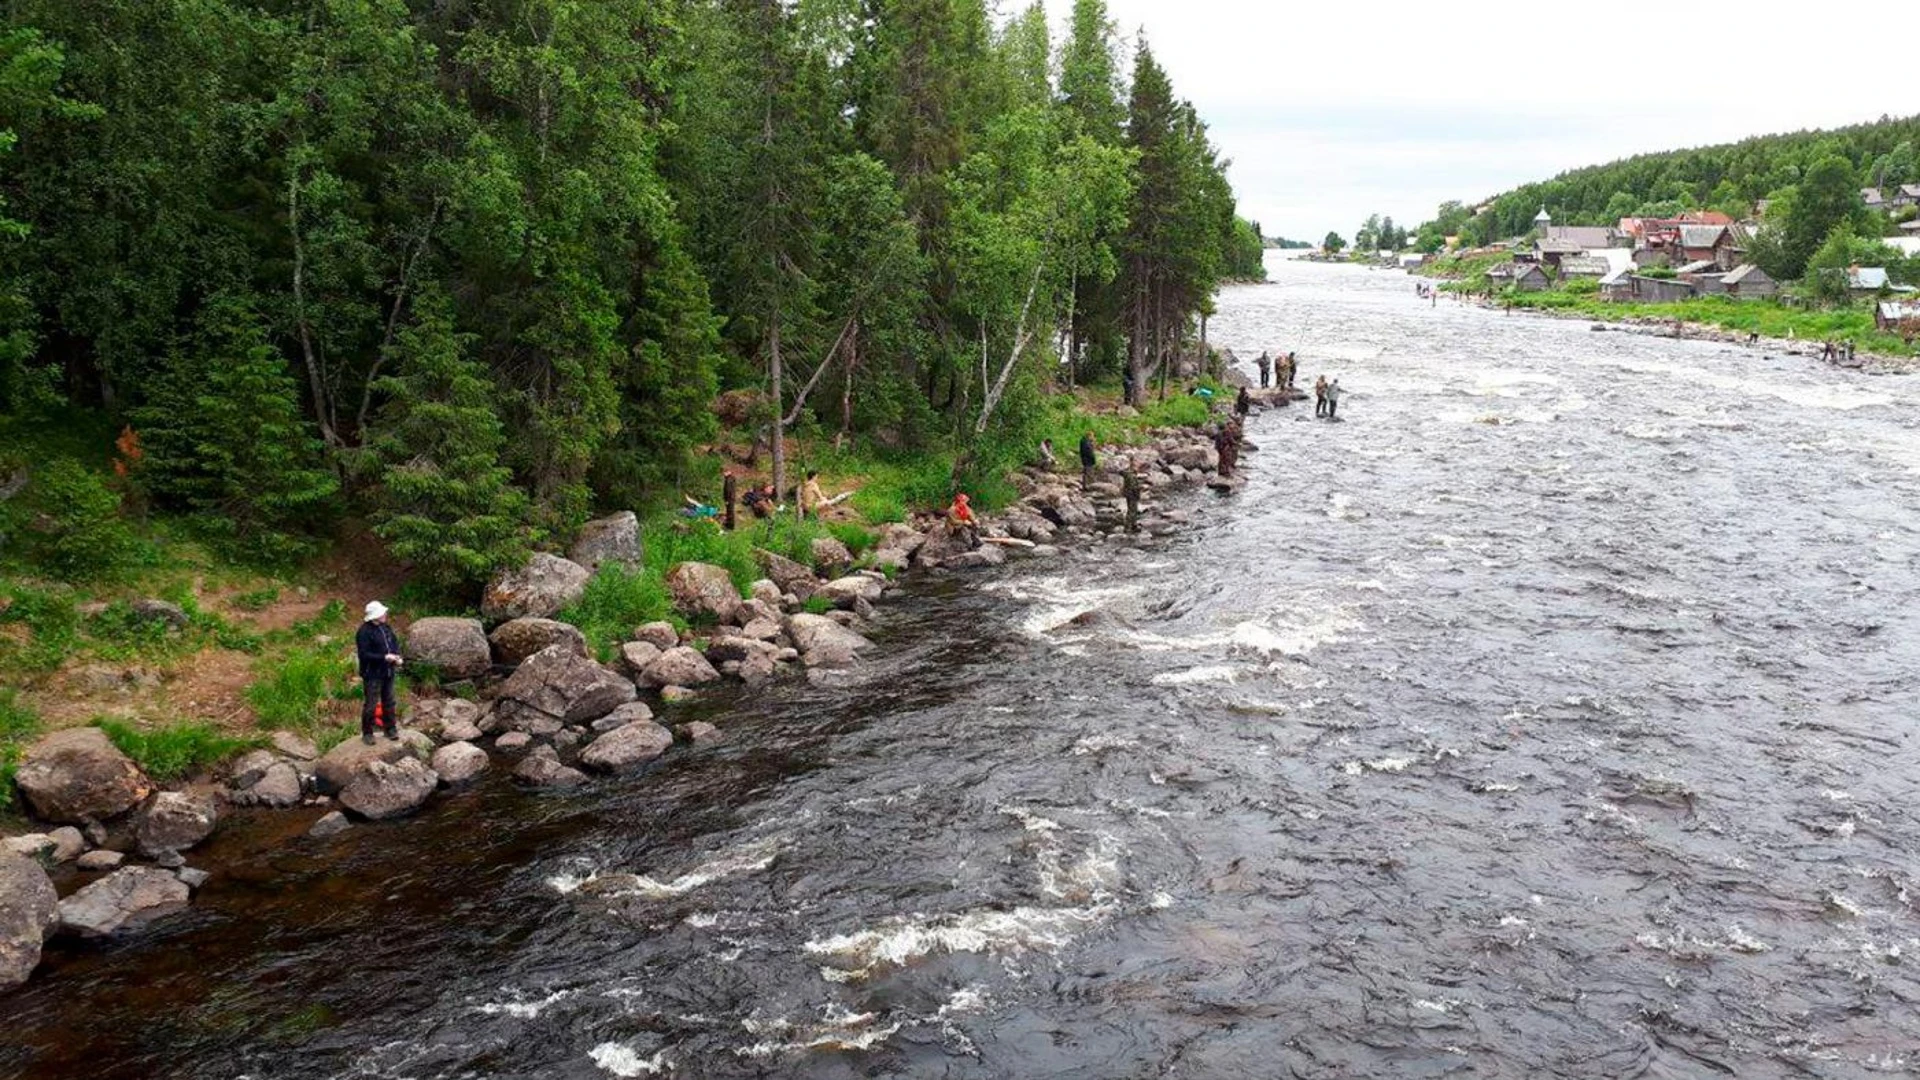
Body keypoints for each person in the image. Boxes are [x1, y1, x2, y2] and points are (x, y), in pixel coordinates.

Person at [356, 601, 402, 744]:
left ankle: (390, 729)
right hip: (372, 674)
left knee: (389, 701)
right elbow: (364, 654)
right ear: (374, 615)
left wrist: (397, 657)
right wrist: (384, 657)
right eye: (382, 613)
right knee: (371, 704)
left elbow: (393, 643)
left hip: (388, 672)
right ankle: (367, 733)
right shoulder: (364, 632)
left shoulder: (386, 627)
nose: (385, 614)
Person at [1122, 463, 1142, 534]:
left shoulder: (1128, 474)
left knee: (1132, 510)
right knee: (1132, 511)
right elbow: (1134, 487)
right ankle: (1128, 527)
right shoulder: (1132, 476)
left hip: (1128, 494)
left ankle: (1133, 525)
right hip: (1132, 495)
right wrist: (1138, 494)